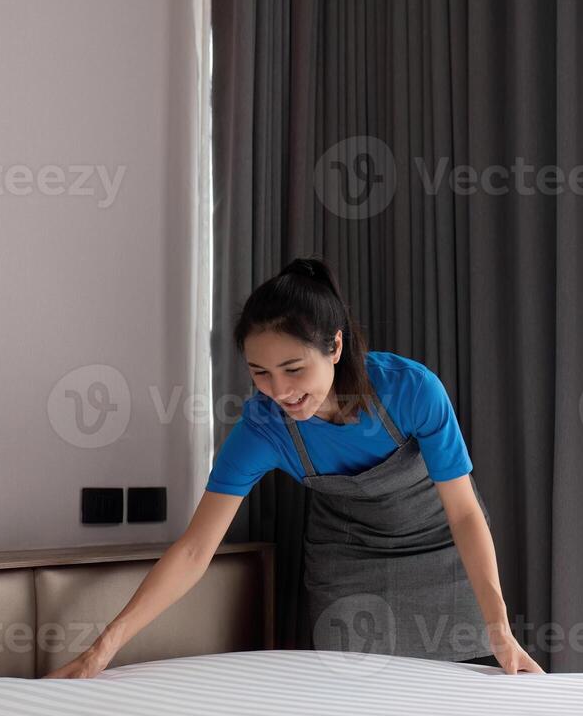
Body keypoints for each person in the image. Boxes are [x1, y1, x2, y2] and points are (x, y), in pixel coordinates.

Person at [46, 257, 544, 678]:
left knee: (463, 695)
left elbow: (463, 515)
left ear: (335, 346)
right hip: (348, 562)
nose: (279, 391)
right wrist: (103, 648)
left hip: (439, 550)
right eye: (260, 372)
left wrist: (498, 625)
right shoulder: (263, 429)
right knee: (352, 697)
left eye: (293, 369)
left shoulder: (411, 390)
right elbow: (197, 549)